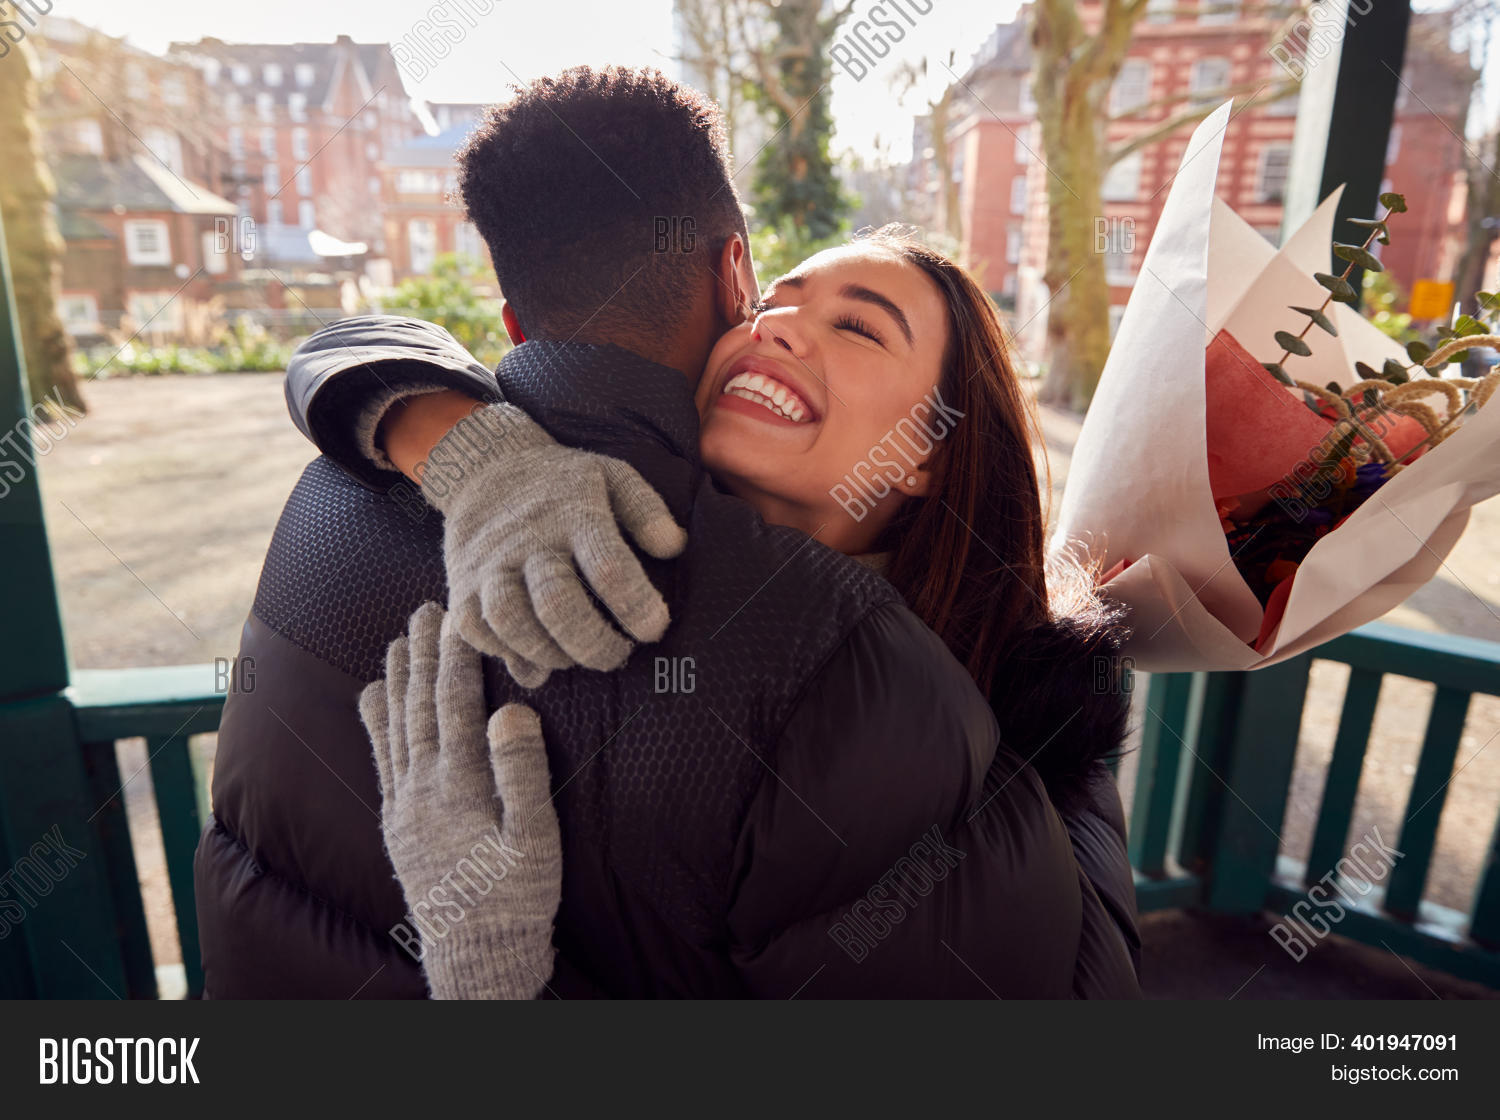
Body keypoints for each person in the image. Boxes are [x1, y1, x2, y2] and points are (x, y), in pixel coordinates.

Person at [200, 65, 1139, 997]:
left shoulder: (918, 679)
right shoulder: (807, 638)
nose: (780, 327)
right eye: (778, 300)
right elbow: (348, 344)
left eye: (859, 327)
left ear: (932, 446)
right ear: (736, 282)